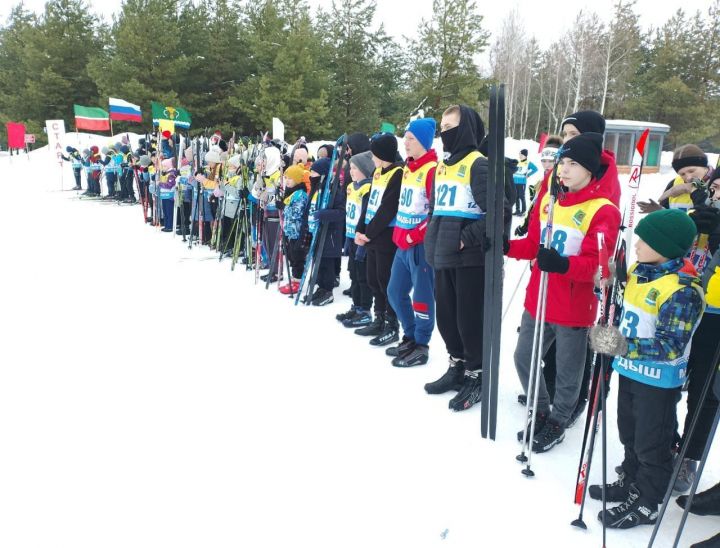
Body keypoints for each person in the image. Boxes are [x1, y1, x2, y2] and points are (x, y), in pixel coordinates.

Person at [589, 208, 704, 529]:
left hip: (658, 382)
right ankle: (631, 481)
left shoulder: (682, 290)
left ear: (665, 247)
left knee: (652, 443)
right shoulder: (642, 269)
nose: (637, 245)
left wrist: (619, 345)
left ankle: (648, 500)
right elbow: (625, 301)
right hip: (629, 371)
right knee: (629, 432)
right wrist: (608, 280)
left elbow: (670, 346)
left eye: (645, 240)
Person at [507, 132, 620, 451]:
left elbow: (597, 267)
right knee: (524, 357)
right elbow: (532, 245)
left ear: (589, 170)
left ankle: (559, 419)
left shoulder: (603, 210)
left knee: (569, 372)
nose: (564, 170)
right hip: (538, 298)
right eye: (561, 163)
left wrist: (561, 264)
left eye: (573, 164)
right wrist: (505, 245)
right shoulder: (549, 200)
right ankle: (541, 409)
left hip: (573, 304)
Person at [423, 104, 510, 411]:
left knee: (468, 321)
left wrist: (464, 239)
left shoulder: (479, 164)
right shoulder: (444, 165)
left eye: (450, 127)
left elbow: (498, 213)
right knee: (446, 320)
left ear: (467, 129)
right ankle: (457, 365)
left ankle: (477, 373)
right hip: (442, 254)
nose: (444, 133)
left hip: (469, 259)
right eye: (442, 128)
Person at [386, 118, 438, 367]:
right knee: (395, 292)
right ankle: (410, 334)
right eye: (405, 137)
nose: (405, 143)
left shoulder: (432, 170)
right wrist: (399, 232)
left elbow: (435, 214)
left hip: (419, 246)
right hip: (402, 244)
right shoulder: (409, 167)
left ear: (424, 143)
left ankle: (421, 344)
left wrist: (413, 234)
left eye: (411, 139)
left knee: (422, 297)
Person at [353, 133, 403, 346]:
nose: (372, 159)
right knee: (373, 279)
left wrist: (369, 233)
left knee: (386, 281)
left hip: (385, 236)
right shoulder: (377, 172)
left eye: (375, 154)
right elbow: (370, 204)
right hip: (372, 236)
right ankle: (379, 317)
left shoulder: (398, 173)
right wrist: (360, 230)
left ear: (383, 155)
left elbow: (388, 208)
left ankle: (392, 324)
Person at [336, 151, 375, 326]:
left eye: (355, 168)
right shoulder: (352, 187)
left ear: (366, 170)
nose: (351, 171)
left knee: (362, 276)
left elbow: (366, 214)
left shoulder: (368, 188)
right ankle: (356, 305)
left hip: (361, 238)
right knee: (353, 274)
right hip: (351, 236)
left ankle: (365, 310)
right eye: (350, 167)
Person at [277, 164, 309, 295]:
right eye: (286, 178)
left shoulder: (300, 194)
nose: (287, 181)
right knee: (290, 256)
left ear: (297, 179)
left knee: (297, 258)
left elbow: (297, 213)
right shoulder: (291, 192)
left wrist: (284, 206)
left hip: (297, 232)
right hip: (289, 231)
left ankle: (297, 281)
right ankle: (294, 280)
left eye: (290, 178)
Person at [513, 148, 538, 216]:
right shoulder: (518, 162)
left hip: (522, 182)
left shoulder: (528, 163)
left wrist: (528, 175)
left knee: (521, 196)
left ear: (525, 155)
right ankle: (517, 210)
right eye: (519, 154)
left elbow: (535, 169)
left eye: (521, 154)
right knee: (516, 196)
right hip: (515, 182)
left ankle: (523, 211)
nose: (520, 156)